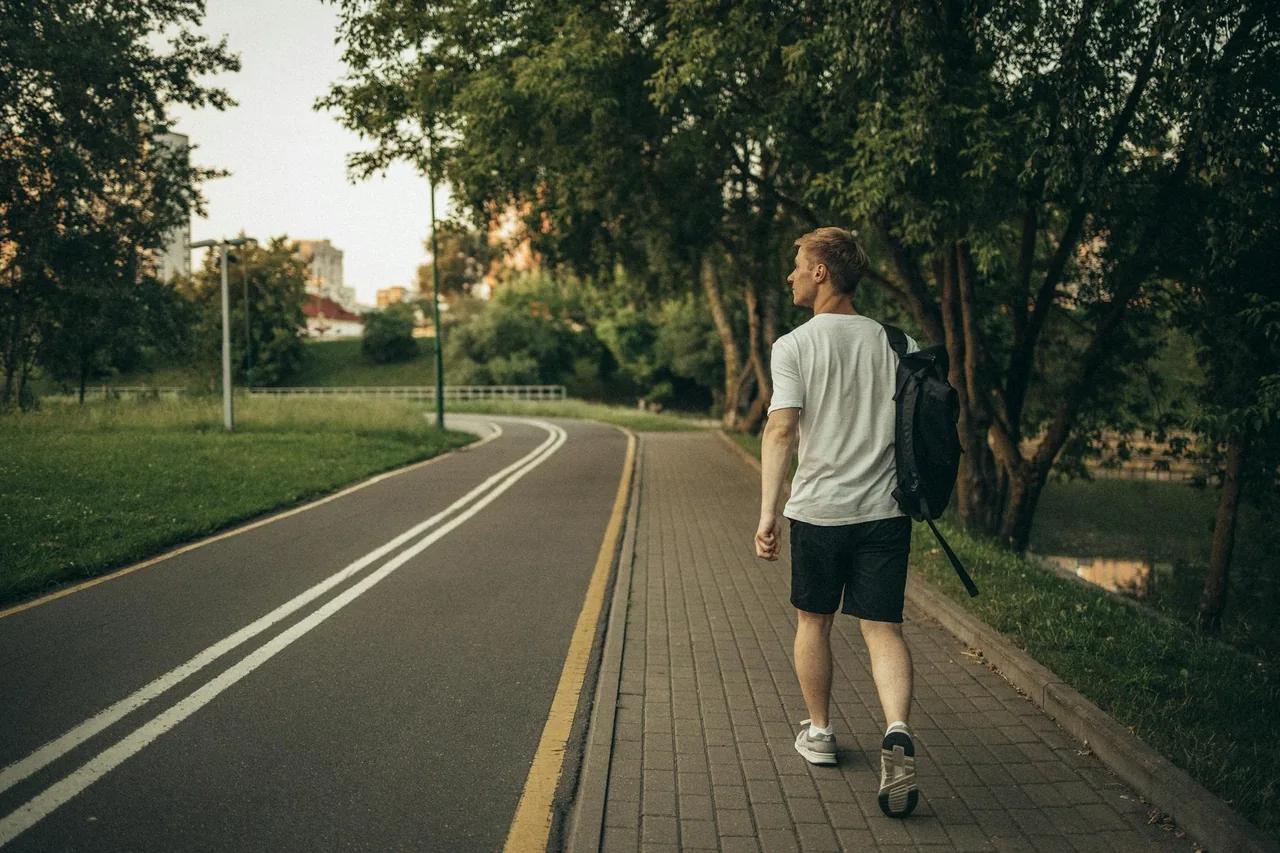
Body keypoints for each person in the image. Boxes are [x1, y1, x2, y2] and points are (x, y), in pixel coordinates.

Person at [754, 226, 920, 819]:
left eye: (798, 264)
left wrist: (769, 511)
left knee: (814, 622)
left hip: (820, 513)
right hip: (885, 511)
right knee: (883, 630)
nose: (792, 274)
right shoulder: (899, 343)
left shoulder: (795, 345)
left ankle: (820, 733)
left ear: (822, 272)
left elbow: (780, 429)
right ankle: (896, 730)